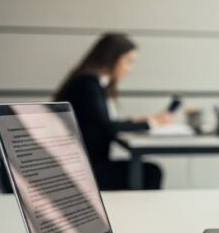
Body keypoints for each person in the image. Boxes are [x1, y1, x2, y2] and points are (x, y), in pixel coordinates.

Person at [53, 32, 172, 190]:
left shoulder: (92, 83)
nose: (130, 69)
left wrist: (137, 121)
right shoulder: (87, 85)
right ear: (111, 58)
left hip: (86, 165)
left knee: (150, 170)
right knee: (152, 172)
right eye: (128, 61)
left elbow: (101, 122)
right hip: (85, 170)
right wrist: (150, 124)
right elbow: (107, 127)